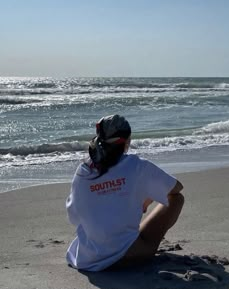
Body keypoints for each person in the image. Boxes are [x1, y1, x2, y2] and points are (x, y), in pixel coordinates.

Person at [66, 114, 184, 271]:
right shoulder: (136, 165)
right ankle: (129, 242)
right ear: (127, 141)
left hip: (87, 258)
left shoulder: (83, 170)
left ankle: (123, 238)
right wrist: (148, 198)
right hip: (129, 255)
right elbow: (177, 188)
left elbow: (74, 217)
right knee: (176, 199)